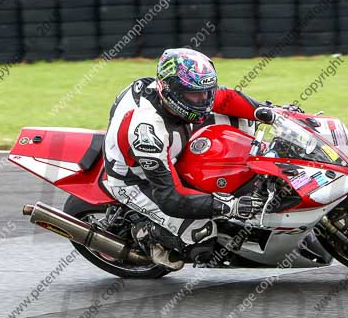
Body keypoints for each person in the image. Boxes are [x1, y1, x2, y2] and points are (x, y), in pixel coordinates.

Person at [103, 48, 273, 270]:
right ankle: (147, 233)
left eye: (206, 92)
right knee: (201, 237)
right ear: (170, 90)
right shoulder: (148, 131)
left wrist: (271, 112)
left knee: (243, 121)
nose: (203, 100)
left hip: (170, 142)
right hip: (135, 179)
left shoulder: (178, 96)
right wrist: (229, 206)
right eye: (194, 94)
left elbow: (223, 97)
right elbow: (171, 198)